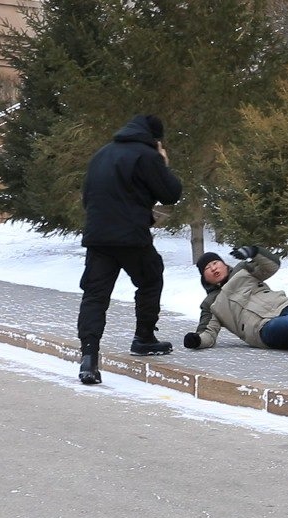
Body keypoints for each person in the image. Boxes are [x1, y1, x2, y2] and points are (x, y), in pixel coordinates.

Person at [77, 114, 183, 385]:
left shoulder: (102, 154)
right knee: (151, 277)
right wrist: (163, 162)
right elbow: (171, 193)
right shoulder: (146, 156)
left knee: (95, 296)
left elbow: (87, 195)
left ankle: (88, 360)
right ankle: (144, 338)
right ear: (155, 138)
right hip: (130, 237)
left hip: (98, 237)